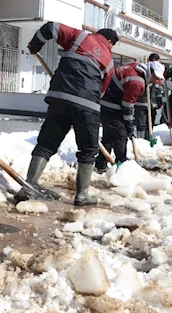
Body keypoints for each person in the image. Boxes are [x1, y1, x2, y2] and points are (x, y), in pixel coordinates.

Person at [20, 23, 118, 206]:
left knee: (46, 144)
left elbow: (51, 27)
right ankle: (82, 195)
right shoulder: (110, 61)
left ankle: (28, 186)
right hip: (88, 105)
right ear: (110, 42)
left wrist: (35, 45)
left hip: (60, 98)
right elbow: (102, 91)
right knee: (88, 150)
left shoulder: (79, 37)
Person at [97, 60, 165, 173]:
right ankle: (121, 163)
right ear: (150, 71)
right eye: (155, 77)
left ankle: (101, 164)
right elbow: (127, 107)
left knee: (109, 135)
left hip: (106, 100)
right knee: (120, 135)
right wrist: (129, 126)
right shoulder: (137, 82)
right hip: (112, 104)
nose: (156, 80)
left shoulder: (135, 66)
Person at [135, 53, 160, 144]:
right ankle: (140, 141)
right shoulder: (146, 71)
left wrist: (159, 100)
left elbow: (158, 88)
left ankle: (148, 138)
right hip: (141, 103)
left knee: (150, 123)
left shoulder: (158, 71)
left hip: (152, 104)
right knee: (141, 124)